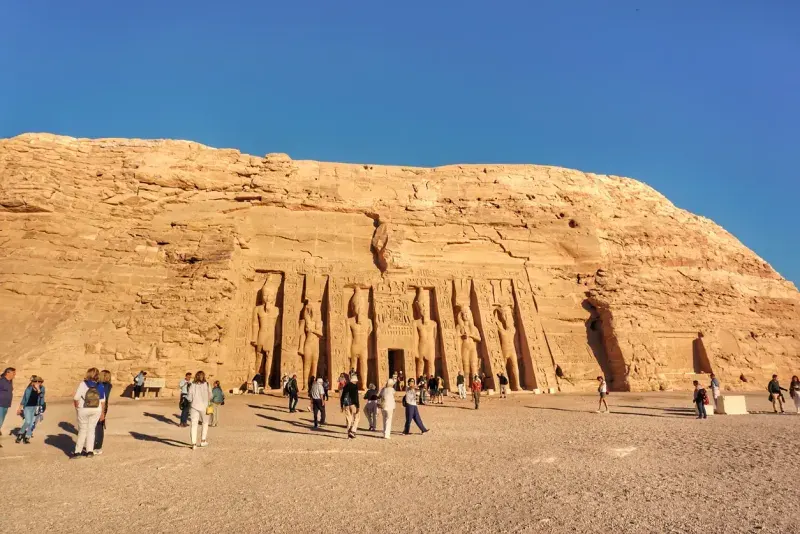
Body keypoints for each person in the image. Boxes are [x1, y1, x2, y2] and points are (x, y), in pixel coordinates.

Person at [72, 368, 106, 459]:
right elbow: (102, 401)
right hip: (96, 409)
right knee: (91, 430)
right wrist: (102, 413)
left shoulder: (83, 384)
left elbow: (76, 398)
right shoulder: (100, 385)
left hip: (84, 409)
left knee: (82, 430)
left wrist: (77, 408)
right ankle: (89, 451)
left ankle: (78, 452)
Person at [187, 370, 213, 449]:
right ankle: (203, 441)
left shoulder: (192, 385)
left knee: (194, 425)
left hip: (194, 407)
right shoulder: (207, 384)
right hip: (204, 407)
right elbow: (211, 396)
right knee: (205, 423)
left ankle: (194, 444)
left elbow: (189, 398)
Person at [16, 376, 45, 444]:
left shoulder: (42, 389)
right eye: (35, 381)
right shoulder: (28, 389)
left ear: (41, 383)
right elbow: (24, 399)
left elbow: (42, 397)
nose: (37, 383)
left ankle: (27, 437)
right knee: (28, 422)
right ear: (32, 382)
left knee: (32, 424)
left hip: (36, 407)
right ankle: (20, 433)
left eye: (39, 382)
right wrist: (19, 408)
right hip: (28, 407)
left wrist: (38, 390)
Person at [93, 370, 112, 454]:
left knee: (98, 426)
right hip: (104, 406)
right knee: (99, 425)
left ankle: (97, 446)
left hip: (100, 406)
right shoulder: (108, 385)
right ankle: (96, 445)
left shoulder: (102, 386)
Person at [341, 374, 360, 439]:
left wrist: (341, 405)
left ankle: (349, 434)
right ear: (355, 380)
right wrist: (358, 406)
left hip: (346, 404)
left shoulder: (346, 386)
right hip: (353, 404)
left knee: (348, 419)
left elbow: (342, 396)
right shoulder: (355, 386)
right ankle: (353, 430)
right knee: (357, 417)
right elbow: (356, 397)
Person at [0, 367, 15, 445]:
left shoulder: (10, 382)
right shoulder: (1, 381)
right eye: (13, 373)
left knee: (1, 422)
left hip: (6, 405)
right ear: (8, 373)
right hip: (0, 404)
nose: (14, 375)